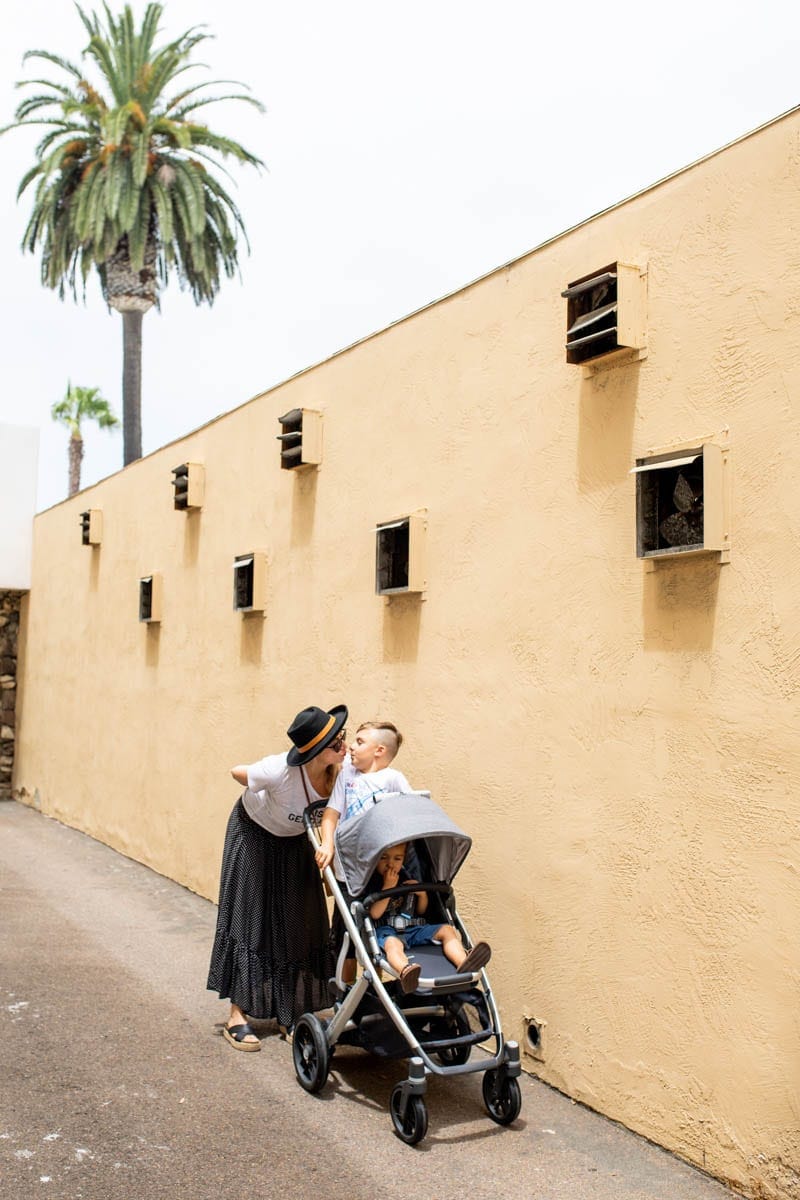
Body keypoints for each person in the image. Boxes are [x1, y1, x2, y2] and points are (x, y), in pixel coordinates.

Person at [207, 704, 348, 1051]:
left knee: (298, 923)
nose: (344, 744)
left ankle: (290, 1011)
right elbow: (236, 771)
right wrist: (257, 785)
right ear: (317, 751)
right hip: (252, 833)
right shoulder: (280, 771)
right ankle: (237, 1015)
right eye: (337, 741)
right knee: (250, 920)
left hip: (293, 842)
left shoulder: (339, 774)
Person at [315, 721, 413, 985]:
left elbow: (411, 817)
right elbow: (331, 814)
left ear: (379, 750)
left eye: (359, 742)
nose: (350, 748)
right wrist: (327, 844)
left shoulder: (393, 779)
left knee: (373, 931)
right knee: (347, 935)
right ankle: (346, 994)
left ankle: (373, 989)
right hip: (348, 870)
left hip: (379, 869)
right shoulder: (348, 775)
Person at [367, 842, 492, 993]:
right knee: (393, 946)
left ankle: (463, 962)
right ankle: (405, 971)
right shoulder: (372, 881)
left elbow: (421, 910)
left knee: (447, 930)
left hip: (412, 928)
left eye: (397, 859)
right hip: (388, 931)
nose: (390, 864)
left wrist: (422, 895)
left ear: (404, 859)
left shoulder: (406, 877)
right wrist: (387, 887)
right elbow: (374, 913)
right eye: (384, 858)